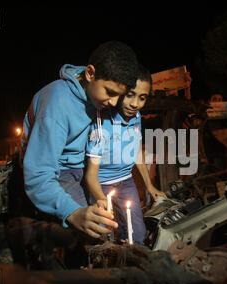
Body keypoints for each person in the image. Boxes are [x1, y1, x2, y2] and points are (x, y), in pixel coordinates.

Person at [21, 41, 140, 239]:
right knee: (94, 235)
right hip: (58, 174)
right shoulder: (57, 105)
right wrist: (73, 212)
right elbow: (38, 174)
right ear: (90, 73)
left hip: (82, 170)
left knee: (111, 223)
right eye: (110, 92)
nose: (113, 103)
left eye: (119, 96)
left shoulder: (96, 96)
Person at [85, 64, 166, 244]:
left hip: (126, 182)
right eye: (130, 95)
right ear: (120, 91)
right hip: (102, 186)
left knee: (136, 235)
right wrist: (101, 200)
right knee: (106, 238)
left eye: (142, 98)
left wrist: (149, 186)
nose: (135, 104)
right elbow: (90, 175)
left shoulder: (136, 117)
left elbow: (135, 151)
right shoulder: (102, 122)